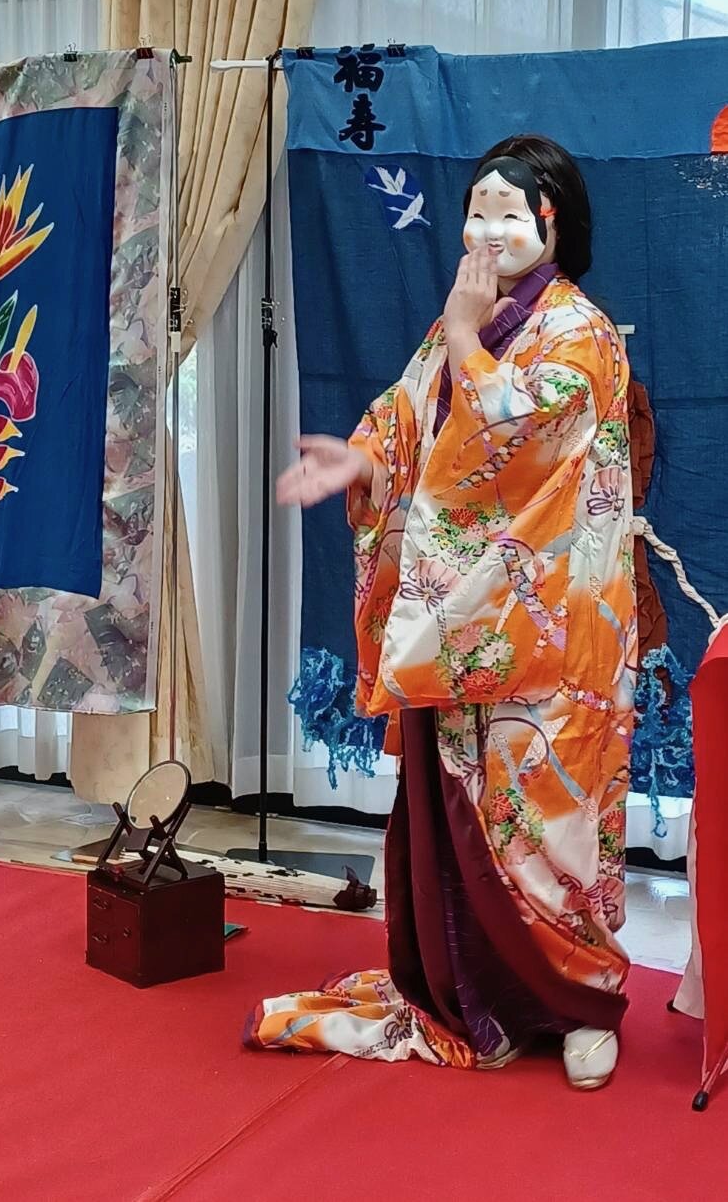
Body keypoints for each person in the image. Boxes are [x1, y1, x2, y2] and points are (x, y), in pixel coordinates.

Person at [247, 135, 636, 1090]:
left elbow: (516, 428)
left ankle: (583, 1003)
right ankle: (472, 999)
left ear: (555, 225)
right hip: (461, 620)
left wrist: (466, 334)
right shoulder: (464, 322)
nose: (488, 233)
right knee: (462, 823)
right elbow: (409, 416)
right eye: (477, 212)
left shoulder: (581, 332)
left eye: (511, 214)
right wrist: (364, 460)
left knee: (547, 821)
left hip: (555, 625)